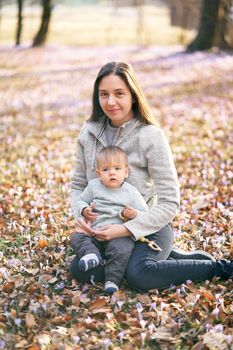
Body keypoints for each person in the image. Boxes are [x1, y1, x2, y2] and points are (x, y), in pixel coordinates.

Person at [70, 61, 232, 292]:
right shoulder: (89, 132)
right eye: (104, 94)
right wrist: (81, 212)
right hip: (104, 228)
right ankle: (167, 259)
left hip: (148, 225)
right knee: (82, 270)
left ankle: (219, 268)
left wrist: (126, 229)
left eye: (119, 94)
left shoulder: (150, 136)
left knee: (140, 277)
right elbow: (78, 185)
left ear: (133, 96)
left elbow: (169, 202)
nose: (110, 102)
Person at [70, 145, 148, 294]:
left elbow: (145, 214)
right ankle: (90, 255)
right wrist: (84, 210)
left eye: (117, 169)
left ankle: (112, 280)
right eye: (106, 169)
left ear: (126, 172)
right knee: (77, 237)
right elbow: (80, 201)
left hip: (118, 233)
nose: (112, 173)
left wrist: (134, 214)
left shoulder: (131, 192)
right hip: (94, 231)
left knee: (122, 250)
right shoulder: (94, 186)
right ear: (99, 173)